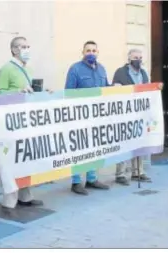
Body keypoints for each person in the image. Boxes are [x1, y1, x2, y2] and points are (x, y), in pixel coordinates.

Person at [0, 36, 44, 216]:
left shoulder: (27, 69)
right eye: (23, 46)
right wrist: (18, 91)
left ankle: (26, 196)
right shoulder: (6, 69)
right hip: (11, 123)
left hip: (26, 121)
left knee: (26, 159)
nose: (26, 49)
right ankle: (10, 200)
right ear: (14, 49)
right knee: (12, 161)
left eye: (28, 46)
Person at [64, 40, 110, 195]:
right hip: (80, 116)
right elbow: (68, 93)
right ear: (82, 52)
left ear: (98, 53)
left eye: (94, 51)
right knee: (79, 148)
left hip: (97, 116)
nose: (91, 53)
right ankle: (76, 181)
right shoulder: (75, 69)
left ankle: (91, 178)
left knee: (94, 147)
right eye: (88, 50)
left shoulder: (102, 69)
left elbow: (106, 90)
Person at [111, 49, 153, 186]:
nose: (138, 60)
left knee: (139, 143)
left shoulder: (143, 73)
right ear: (129, 59)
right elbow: (115, 91)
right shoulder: (120, 72)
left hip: (139, 114)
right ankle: (120, 174)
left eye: (140, 57)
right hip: (124, 114)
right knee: (124, 144)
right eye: (135, 57)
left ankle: (138, 172)